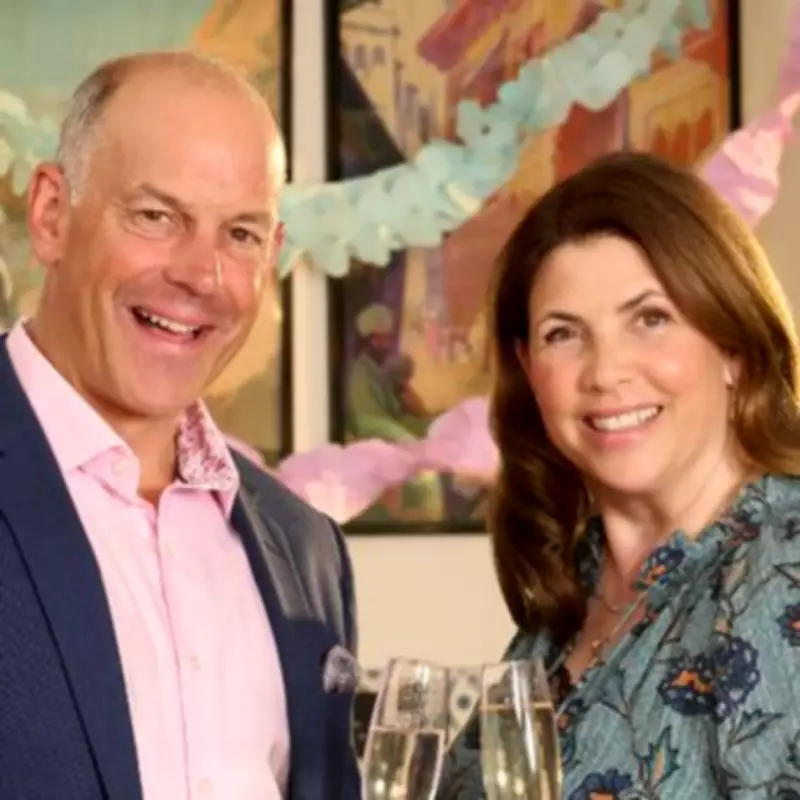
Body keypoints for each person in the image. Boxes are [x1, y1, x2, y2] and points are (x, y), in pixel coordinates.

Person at [0, 52, 360, 800]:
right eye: (157, 216)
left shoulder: (309, 552)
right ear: (51, 213)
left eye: (241, 234)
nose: (201, 276)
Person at [437, 151, 800, 799]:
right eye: (563, 334)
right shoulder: (570, 595)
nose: (605, 372)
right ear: (529, 368)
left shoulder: (784, 566)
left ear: (733, 347)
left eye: (650, 319)